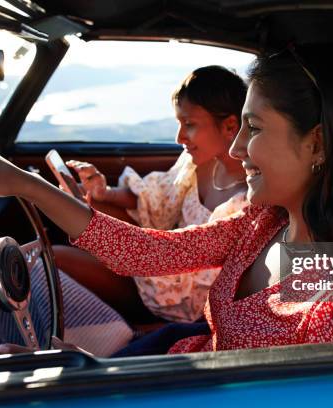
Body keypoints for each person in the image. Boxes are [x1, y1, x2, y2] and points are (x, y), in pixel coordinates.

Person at [0, 44, 333, 355]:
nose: (238, 146)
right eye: (239, 124)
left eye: (255, 128)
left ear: (319, 145)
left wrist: (86, 384)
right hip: (182, 366)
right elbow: (151, 252)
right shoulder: (262, 222)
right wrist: (25, 185)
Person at [52, 65, 249, 324]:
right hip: (152, 266)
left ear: (230, 126)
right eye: (179, 123)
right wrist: (104, 193)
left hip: (170, 297)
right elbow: (155, 199)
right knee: (86, 214)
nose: (180, 137)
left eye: (189, 124)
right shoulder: (198, 164)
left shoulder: (249, 200)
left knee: (55, 257)